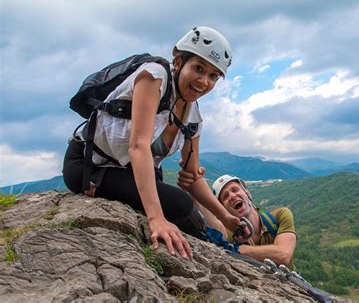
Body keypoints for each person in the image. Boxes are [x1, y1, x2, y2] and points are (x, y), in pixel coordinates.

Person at [63, 27, 248, 260]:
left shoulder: (193, 117)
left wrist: (226, 218)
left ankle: (218, 245)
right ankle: (217, 247)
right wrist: (156, 219)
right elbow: (138, 146)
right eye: (198, 68)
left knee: (180, 205)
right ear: (179, 62)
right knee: (179, 205)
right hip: (89, 166)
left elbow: (192, 177)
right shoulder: (154, 76)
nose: (204, 81)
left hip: (125, 171)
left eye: (213, 76)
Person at [179, 172, 297, 270]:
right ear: (223, 209)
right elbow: (216, 225)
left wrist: (238, 249)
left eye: (235, 189)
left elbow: (283, 254)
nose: (232, 196)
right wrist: (194, 191)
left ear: (247, 192)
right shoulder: (230, 233)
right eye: (225, 196)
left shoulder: (280, 216)